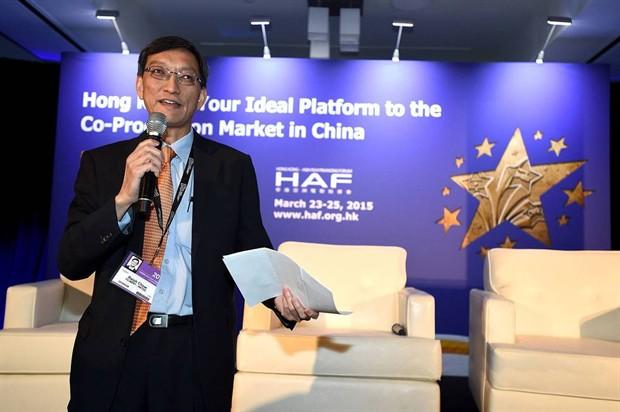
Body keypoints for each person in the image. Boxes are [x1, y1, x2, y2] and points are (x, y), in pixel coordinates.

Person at [58, 36, 318, 412]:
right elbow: (71, 260)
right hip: (115, 348)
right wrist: (123, 199)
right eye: (159, 73)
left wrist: (280, 300)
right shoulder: (102, 164)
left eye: (186, 77)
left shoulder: (231, 167)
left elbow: (252, 251)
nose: (171, 86)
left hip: (194, 351)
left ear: (202, 97)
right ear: (139, 86)